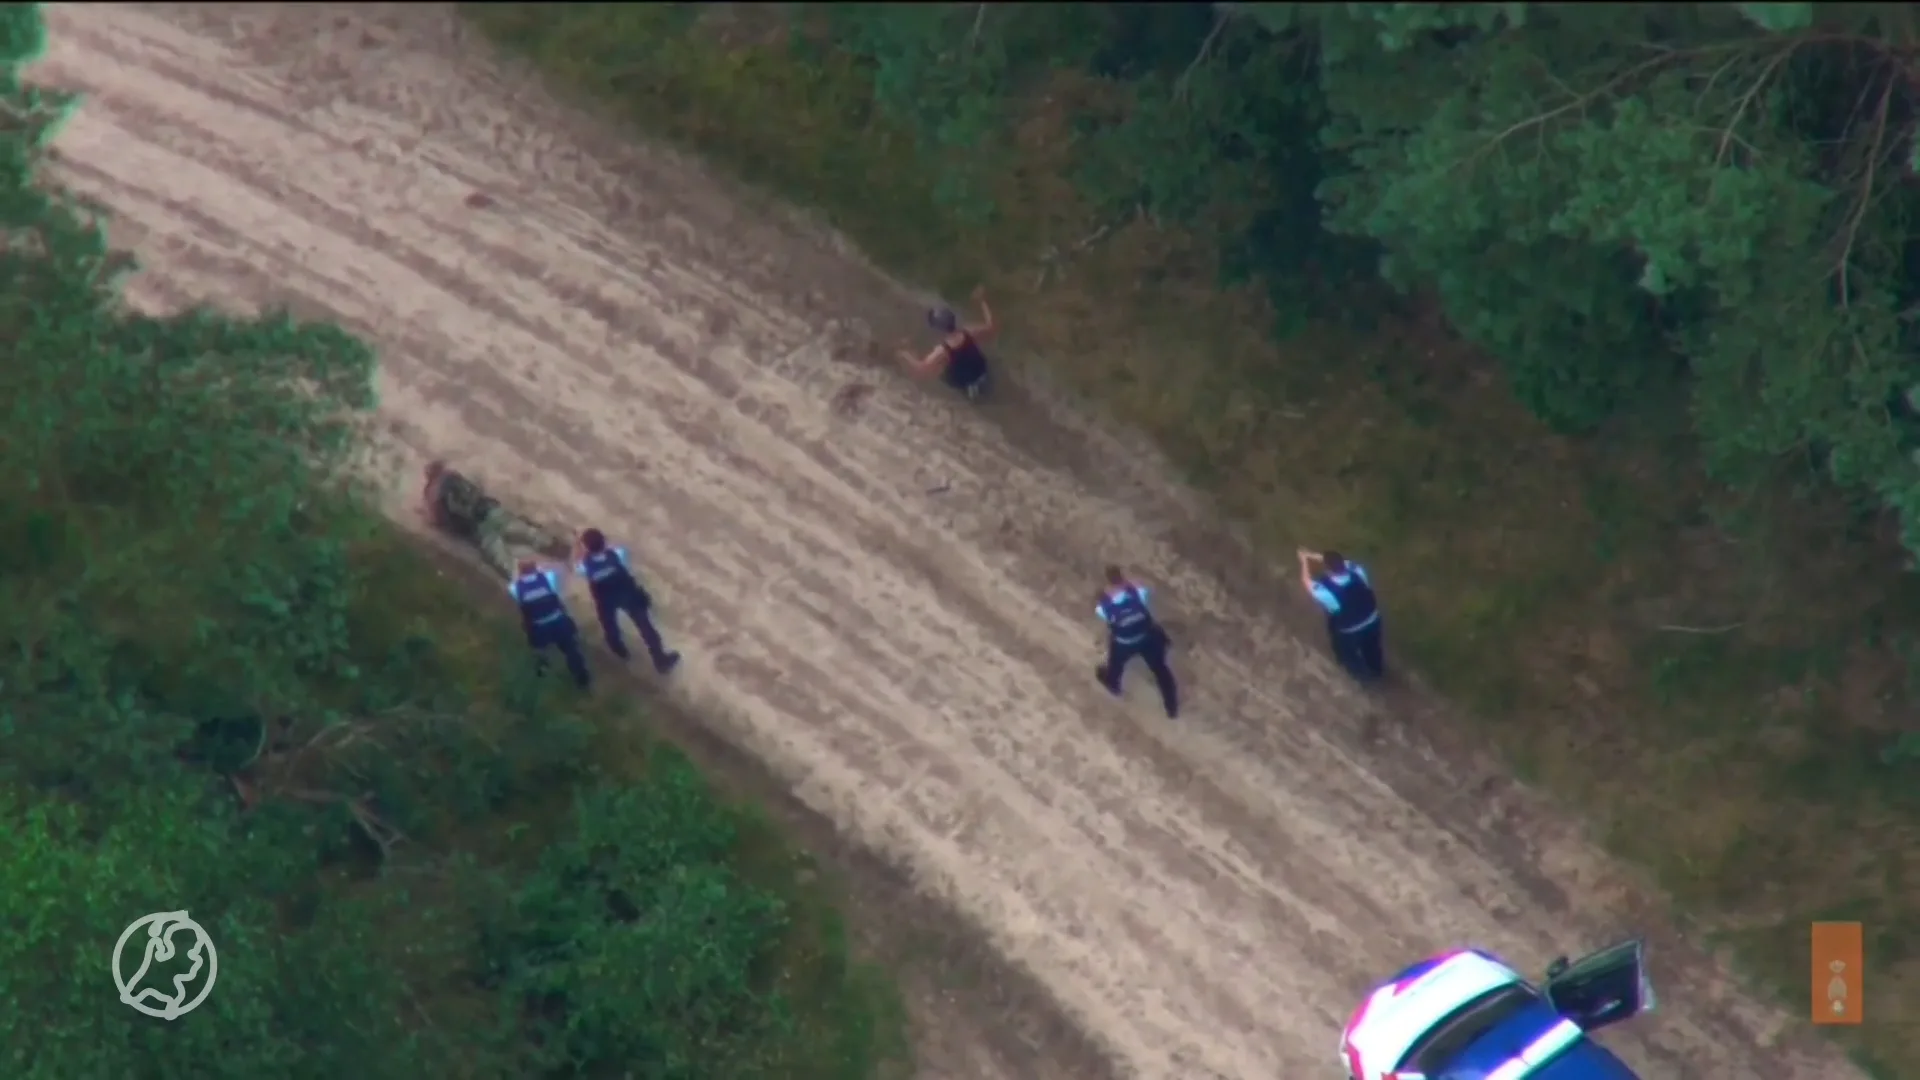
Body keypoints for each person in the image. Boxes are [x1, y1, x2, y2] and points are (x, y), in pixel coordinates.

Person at [418, 460, 568, 580]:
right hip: (490, 510)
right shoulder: (452, 475)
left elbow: (437, 520)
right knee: (526, 531)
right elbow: (476, 488)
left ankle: (529, 583)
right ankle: (556, 547)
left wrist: (426, 517)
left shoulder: (433, 495)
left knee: (504, 561)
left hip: (477, 529)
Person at [574, 527, 682, 675]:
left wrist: (578, 546)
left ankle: (621, 653)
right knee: (646, 627)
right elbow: (621, 550)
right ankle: (660, 660)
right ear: (604, 543)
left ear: (586, 548)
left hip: (605, 600)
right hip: (627, 593)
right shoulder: (617, 554)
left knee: (610, 628)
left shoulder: (585, 566)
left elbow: (576, 564)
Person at [1093, 565, 1180, 719]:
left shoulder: (1103, 606)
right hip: (1146, 638)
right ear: (1122, 577)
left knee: (1115, 664)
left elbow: (1104, 616)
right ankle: (1172, 706)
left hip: (1124, 643)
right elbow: (1145, 591)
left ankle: (1113, 685)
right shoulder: (1137, 592)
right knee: (1161, 670)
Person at [1298, 548, 1386, 684]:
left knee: (1347, 655)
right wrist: (1312, 555)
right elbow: (1341, 562)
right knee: (1373, 648)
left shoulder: (1326, 590)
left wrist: (1304, 560)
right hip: (1372, 620)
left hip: (1350, 630)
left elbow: (1306, 581)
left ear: (1327, 569)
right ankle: (1377, 670)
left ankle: (1363, 679)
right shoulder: (1357, 571)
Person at [897, 285, 997, 401]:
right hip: (985, 376)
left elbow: (921, 369)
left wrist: (905, 353)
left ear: (938, 329)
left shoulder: (942, 350)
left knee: (943, 373)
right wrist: (983, 301)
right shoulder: (969, 332)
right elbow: (992, 327)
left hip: (971, 389)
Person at [510, 558, 590, 690]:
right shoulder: (548, 578)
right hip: (558, 622)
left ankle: (542, 677)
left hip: (538, 627)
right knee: (572, 651)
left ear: (520, 572)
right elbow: (559, 571)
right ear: (535, 568)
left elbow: (519, 601)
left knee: (540, 652)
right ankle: (583, 680)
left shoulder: (516, 588)